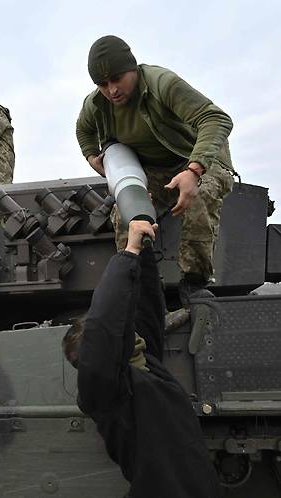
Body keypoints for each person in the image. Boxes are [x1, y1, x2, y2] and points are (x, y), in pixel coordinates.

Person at [62, 220, 218, 498]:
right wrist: (128, 252)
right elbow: (104, 323)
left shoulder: (146, 364)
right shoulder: (106, 390)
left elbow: (145, 306)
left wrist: (143, 252)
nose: (129, 331)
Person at [76, 35, 235, 306]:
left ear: (132, 69)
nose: (111, 90)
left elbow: (216, 118)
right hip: (154, 170)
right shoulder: (96, 104)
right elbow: (84, 130)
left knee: (200, 196)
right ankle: (138, 284)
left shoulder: (162, 83)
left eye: (117, 79)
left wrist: (194, 170)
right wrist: (92, 155)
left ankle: (194, 282)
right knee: (125, 213)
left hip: (198, 159)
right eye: (103, 84)